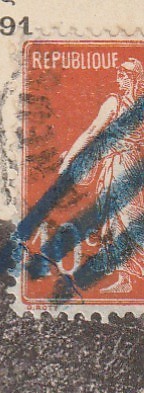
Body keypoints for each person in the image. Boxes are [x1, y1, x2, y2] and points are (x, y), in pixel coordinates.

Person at [59, 58, 144, 294]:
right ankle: (126, 279)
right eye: (120, 74)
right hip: (113, 166)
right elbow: (92, 132)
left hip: (131, 168)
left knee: (129, 219)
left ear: (136, 79)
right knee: (113, 220)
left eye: (126, 75)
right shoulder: (113, 103)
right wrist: (69, 160)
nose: (121, 78)